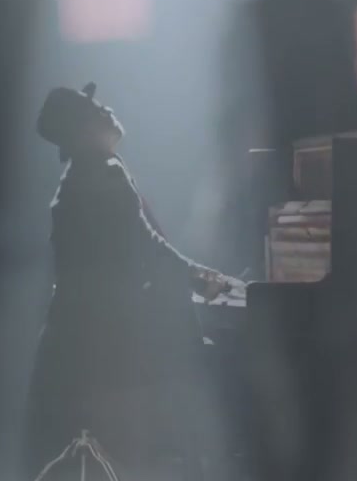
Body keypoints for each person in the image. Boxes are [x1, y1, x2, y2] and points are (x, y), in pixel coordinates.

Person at [23, 83, 241, 481]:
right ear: (80, 132)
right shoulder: (101, 176)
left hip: (81, 343)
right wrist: (201, 278)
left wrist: (196, 276)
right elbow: (146, 248)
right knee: (124, 452)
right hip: (102, 348)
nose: (105, 109)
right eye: (94, 110)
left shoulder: (89, 174)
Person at [195, 0, 357, 277]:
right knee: (239, 258)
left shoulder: (315, 0)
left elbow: (337, 84)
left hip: (298, 145)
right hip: (248, 148)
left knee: (294, 266)